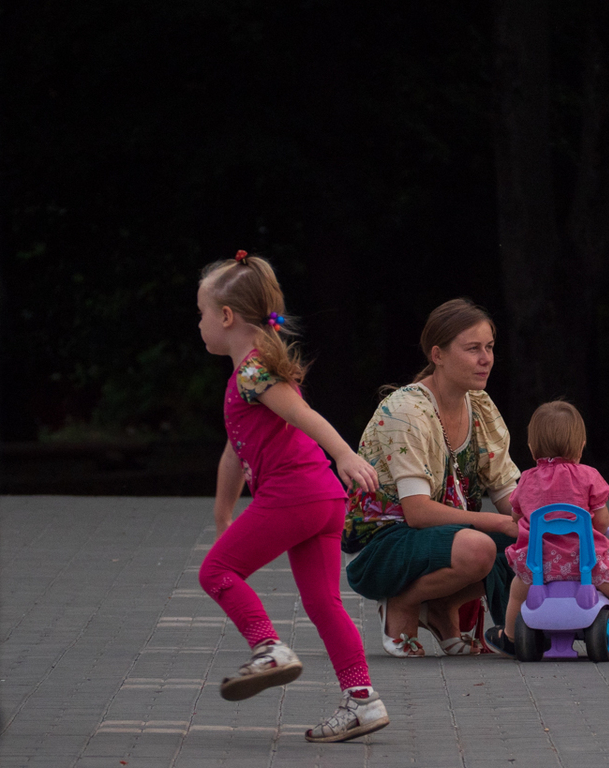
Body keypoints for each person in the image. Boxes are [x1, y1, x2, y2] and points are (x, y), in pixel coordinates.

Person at [196, 250, 390, 743]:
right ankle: (362, 701)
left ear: (226, 316)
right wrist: (222, 518)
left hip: (296, 494)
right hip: (322, 501)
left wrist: (345, 454)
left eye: (201, 313)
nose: (198, 324)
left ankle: (268, 649)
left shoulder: (253, 372)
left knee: (215, 573)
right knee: (323, 603)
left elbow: (305, 417)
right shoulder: (252, 373)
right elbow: (234, 453)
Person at [343, 299, 521, 657]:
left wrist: (557, 517)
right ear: (437, 355)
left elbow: (510, 495)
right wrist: (499, 523)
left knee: (535, 542)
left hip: (442, 538)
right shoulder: (407, 411)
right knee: (481, 547)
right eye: (473, 349)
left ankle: (442, 606)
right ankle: (403, 603)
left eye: (489, 347)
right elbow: (418, 513)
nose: (486, 359)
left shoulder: (480, 406)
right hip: (381, 548)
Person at [483, 401, 609, 658]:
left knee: (516, 591)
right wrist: (599, 525)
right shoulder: (589, 476)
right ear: (580, 446)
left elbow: (516, 517)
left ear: (531, 447)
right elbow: (600, 522)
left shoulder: (526, 480)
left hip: (538, 568)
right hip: (586, 564)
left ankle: (510, 638)